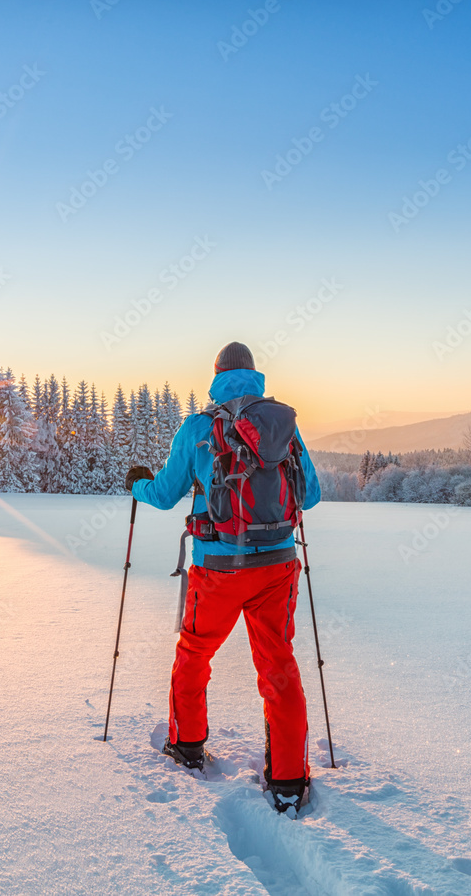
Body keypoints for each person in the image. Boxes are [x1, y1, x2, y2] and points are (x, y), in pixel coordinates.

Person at [125, 341, 321, 814]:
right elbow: (310, 495)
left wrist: (137, 484)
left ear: (216, 375)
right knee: (278, 666)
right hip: (277, 567)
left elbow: (167, 492)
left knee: (194, 653)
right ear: (254, 375)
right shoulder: (283, 426)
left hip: (217, 569)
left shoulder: (198, 427)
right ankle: (289, 777)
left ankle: (188, 745)